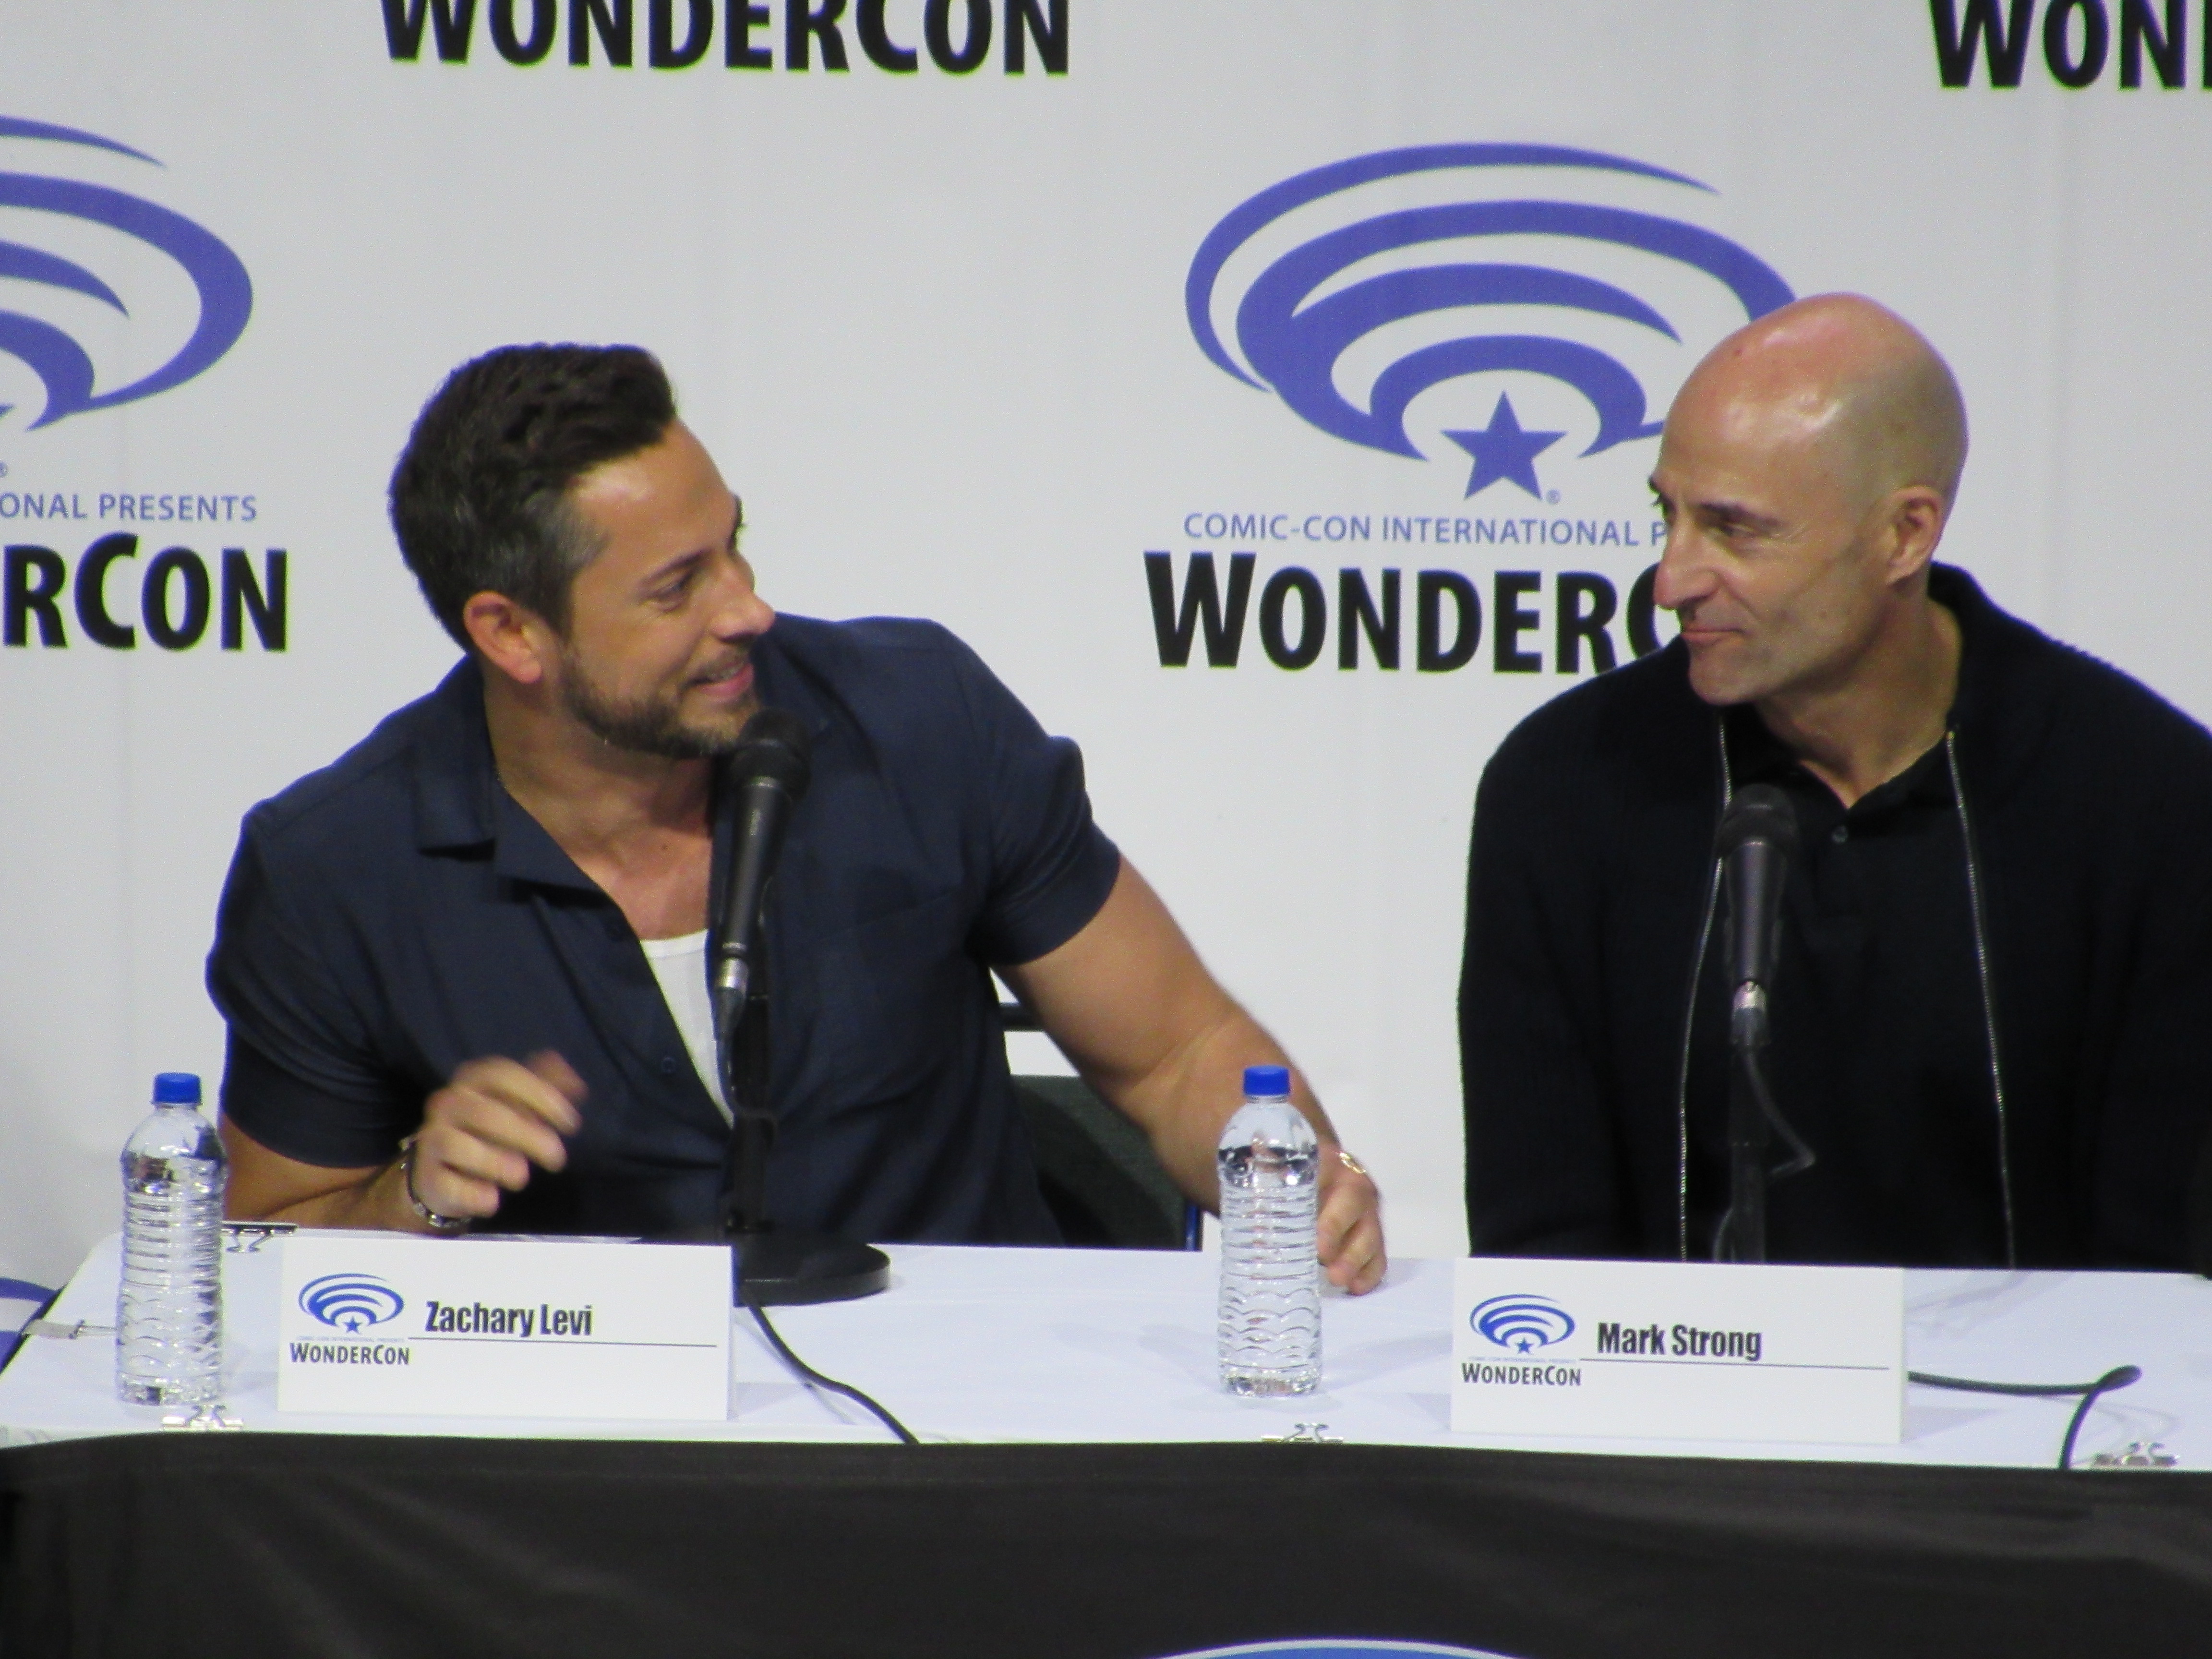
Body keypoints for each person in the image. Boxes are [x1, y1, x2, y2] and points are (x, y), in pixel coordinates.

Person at [210, 343, 1384, 1291]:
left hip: (968, 1423)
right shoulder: (334, 871)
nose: (748, 609)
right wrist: (410, 1197)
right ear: (512, 632)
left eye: (733, 546)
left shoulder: (921, 722)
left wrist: (1299, 1189)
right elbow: (267, 1247)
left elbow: (1178, 1054)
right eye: (678, 587)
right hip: (587, 1461)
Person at [1460, 294, 2212, 1269]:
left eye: (1734, 530)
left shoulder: (2145, 800)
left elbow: (2164, 1273)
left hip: (2043, 1374)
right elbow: (1540, 1253)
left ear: (1905, 534)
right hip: (1666, 1373)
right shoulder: (1567, 787)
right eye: (1668, 515)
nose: (1671, 579)